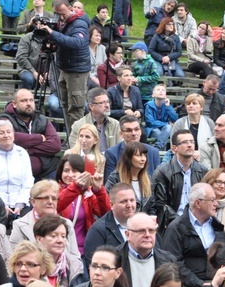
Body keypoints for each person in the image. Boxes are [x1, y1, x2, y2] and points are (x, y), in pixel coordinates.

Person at [36, 0, 91, 133]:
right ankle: (70, 135)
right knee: (65, 105)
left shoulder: (80, 23)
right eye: (56, 14)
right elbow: (61, 39)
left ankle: (77, 140)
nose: (59, 17)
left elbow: (77, 42)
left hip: (77, 71)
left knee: (76, 108)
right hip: (64, 68)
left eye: (62, 14)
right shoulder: (62, 22)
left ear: (70, 8)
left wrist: (53, 33)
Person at [162, 183, 225, 287]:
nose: (216, 204)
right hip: (189, 285)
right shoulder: (176, 228)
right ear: (198, 203)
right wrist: (200, 284)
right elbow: (174, 264)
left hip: (219, 282)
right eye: (212, 200)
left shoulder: (217, 226)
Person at [151, 129, 208, 231]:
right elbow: (160, 204)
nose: (190, 145)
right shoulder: (162, 172)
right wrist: (180, 220)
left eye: (192, 141)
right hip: (171, 224)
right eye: (184, 142)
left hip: (198, 222)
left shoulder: (202, 171)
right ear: (174, 149)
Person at [56, 154, 111, 256]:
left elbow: (105, 213)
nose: (70, 175)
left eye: (75, 171)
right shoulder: (54, 190)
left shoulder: (87, 194)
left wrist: (99, 190)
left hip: (84, 250)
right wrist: (76, 187)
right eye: (66, 170)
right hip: (61, 250)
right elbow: (57, 205)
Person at [0, 120, 32, 219]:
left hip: (20, 202)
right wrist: (1, 204)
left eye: (9, 132)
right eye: (1, 133)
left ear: (13, 135)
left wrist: (20, 204)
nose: (6, 135)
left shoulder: (21, 153)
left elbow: (28, 181)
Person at [33, 214, 85, 287]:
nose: (60, 240)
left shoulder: (75, 265)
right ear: (39, 239)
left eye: (63, 236)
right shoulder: (30, 266)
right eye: (54, 236)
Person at [104, 116, 161, 185]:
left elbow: (157, 182)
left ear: (140, 131)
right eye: (129, 130)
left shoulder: (153, 152)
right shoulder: (111, 153)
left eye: (136, 129)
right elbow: (110, 184)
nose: (134, 133)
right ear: (121, 134)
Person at [106, 141, 154, 214]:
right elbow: (107, 204)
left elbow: (152, 206)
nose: (143, 159)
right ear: (128, 158)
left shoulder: (148, 179)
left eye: (144, 155)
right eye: (138, 155)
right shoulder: (115, 178)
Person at [68, 87, 122, 153]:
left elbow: (120, 150)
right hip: (88, 162)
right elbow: (75, 152)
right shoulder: (79, 126)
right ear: (91, 106)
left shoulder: (116, 124)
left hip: (111, 162)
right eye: (102, 103)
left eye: (108, 102)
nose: (107, 105)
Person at [144, 84, 177, 151]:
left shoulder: (167, 106)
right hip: (152, 129)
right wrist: (167, 123)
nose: (161, 91)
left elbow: (175, 119)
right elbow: (151, 122)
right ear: (153, 95)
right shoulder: (149, 105)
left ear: (165, 95)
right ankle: (160, 150)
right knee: (158, 132)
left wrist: (168, 107)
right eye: (158, 90)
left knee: (168, 127)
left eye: (163, 90)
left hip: (164, 129)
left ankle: (158, 148)